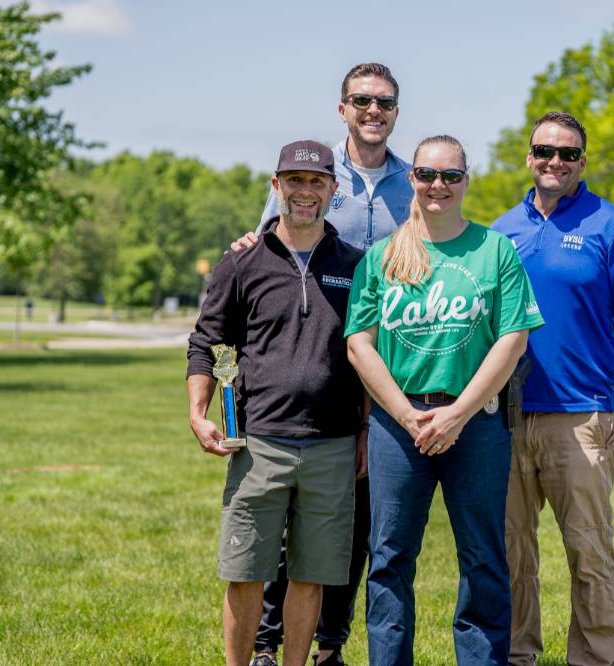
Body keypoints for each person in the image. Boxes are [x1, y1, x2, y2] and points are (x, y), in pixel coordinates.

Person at [235, 63, 412, 666]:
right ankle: (266, 644)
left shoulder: (417, 185)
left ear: (395, 111)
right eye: (361, 100)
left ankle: (329, 644)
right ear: (342, 109)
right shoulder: (312, 171)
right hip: (303, 369)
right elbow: (268, 239)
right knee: (288, 526)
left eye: (383, 102)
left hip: (381, 367)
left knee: (353, 524)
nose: (372, 110)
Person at [345, 135, 545, 666]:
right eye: (427, 175)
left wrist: (456, 413)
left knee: (483, 557)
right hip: (397, 425)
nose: (438, 186)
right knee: (389, 557)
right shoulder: (384, 255)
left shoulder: (493, 250)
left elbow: (513, 338)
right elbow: (359, 342)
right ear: (412, 178)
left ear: (465, 180)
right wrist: (408, 415)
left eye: (450, 176)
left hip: (475, 424)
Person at [491, 111, 614, 666]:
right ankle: (518, 655)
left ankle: (593, 659)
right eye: (544, 151)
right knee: (511, 553)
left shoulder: (612, 226)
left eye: (567, 154)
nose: (554, 162)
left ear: (582, 163)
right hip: (506, 418)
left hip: (582, 418)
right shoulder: (499, 232)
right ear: (529, 157)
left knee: (589, 552)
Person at [187, 140, 366, 666]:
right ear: (276, 187)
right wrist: (198, 413)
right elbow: (207, 341)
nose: (305, 192)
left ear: (334, 192)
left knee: (311, 575)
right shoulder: (240, 262)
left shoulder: (357, 267)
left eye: (316, 182)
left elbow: (368, 354)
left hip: (332, 445)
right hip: (258, 442)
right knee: (245, 572)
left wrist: (365, 430)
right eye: (295, 181)